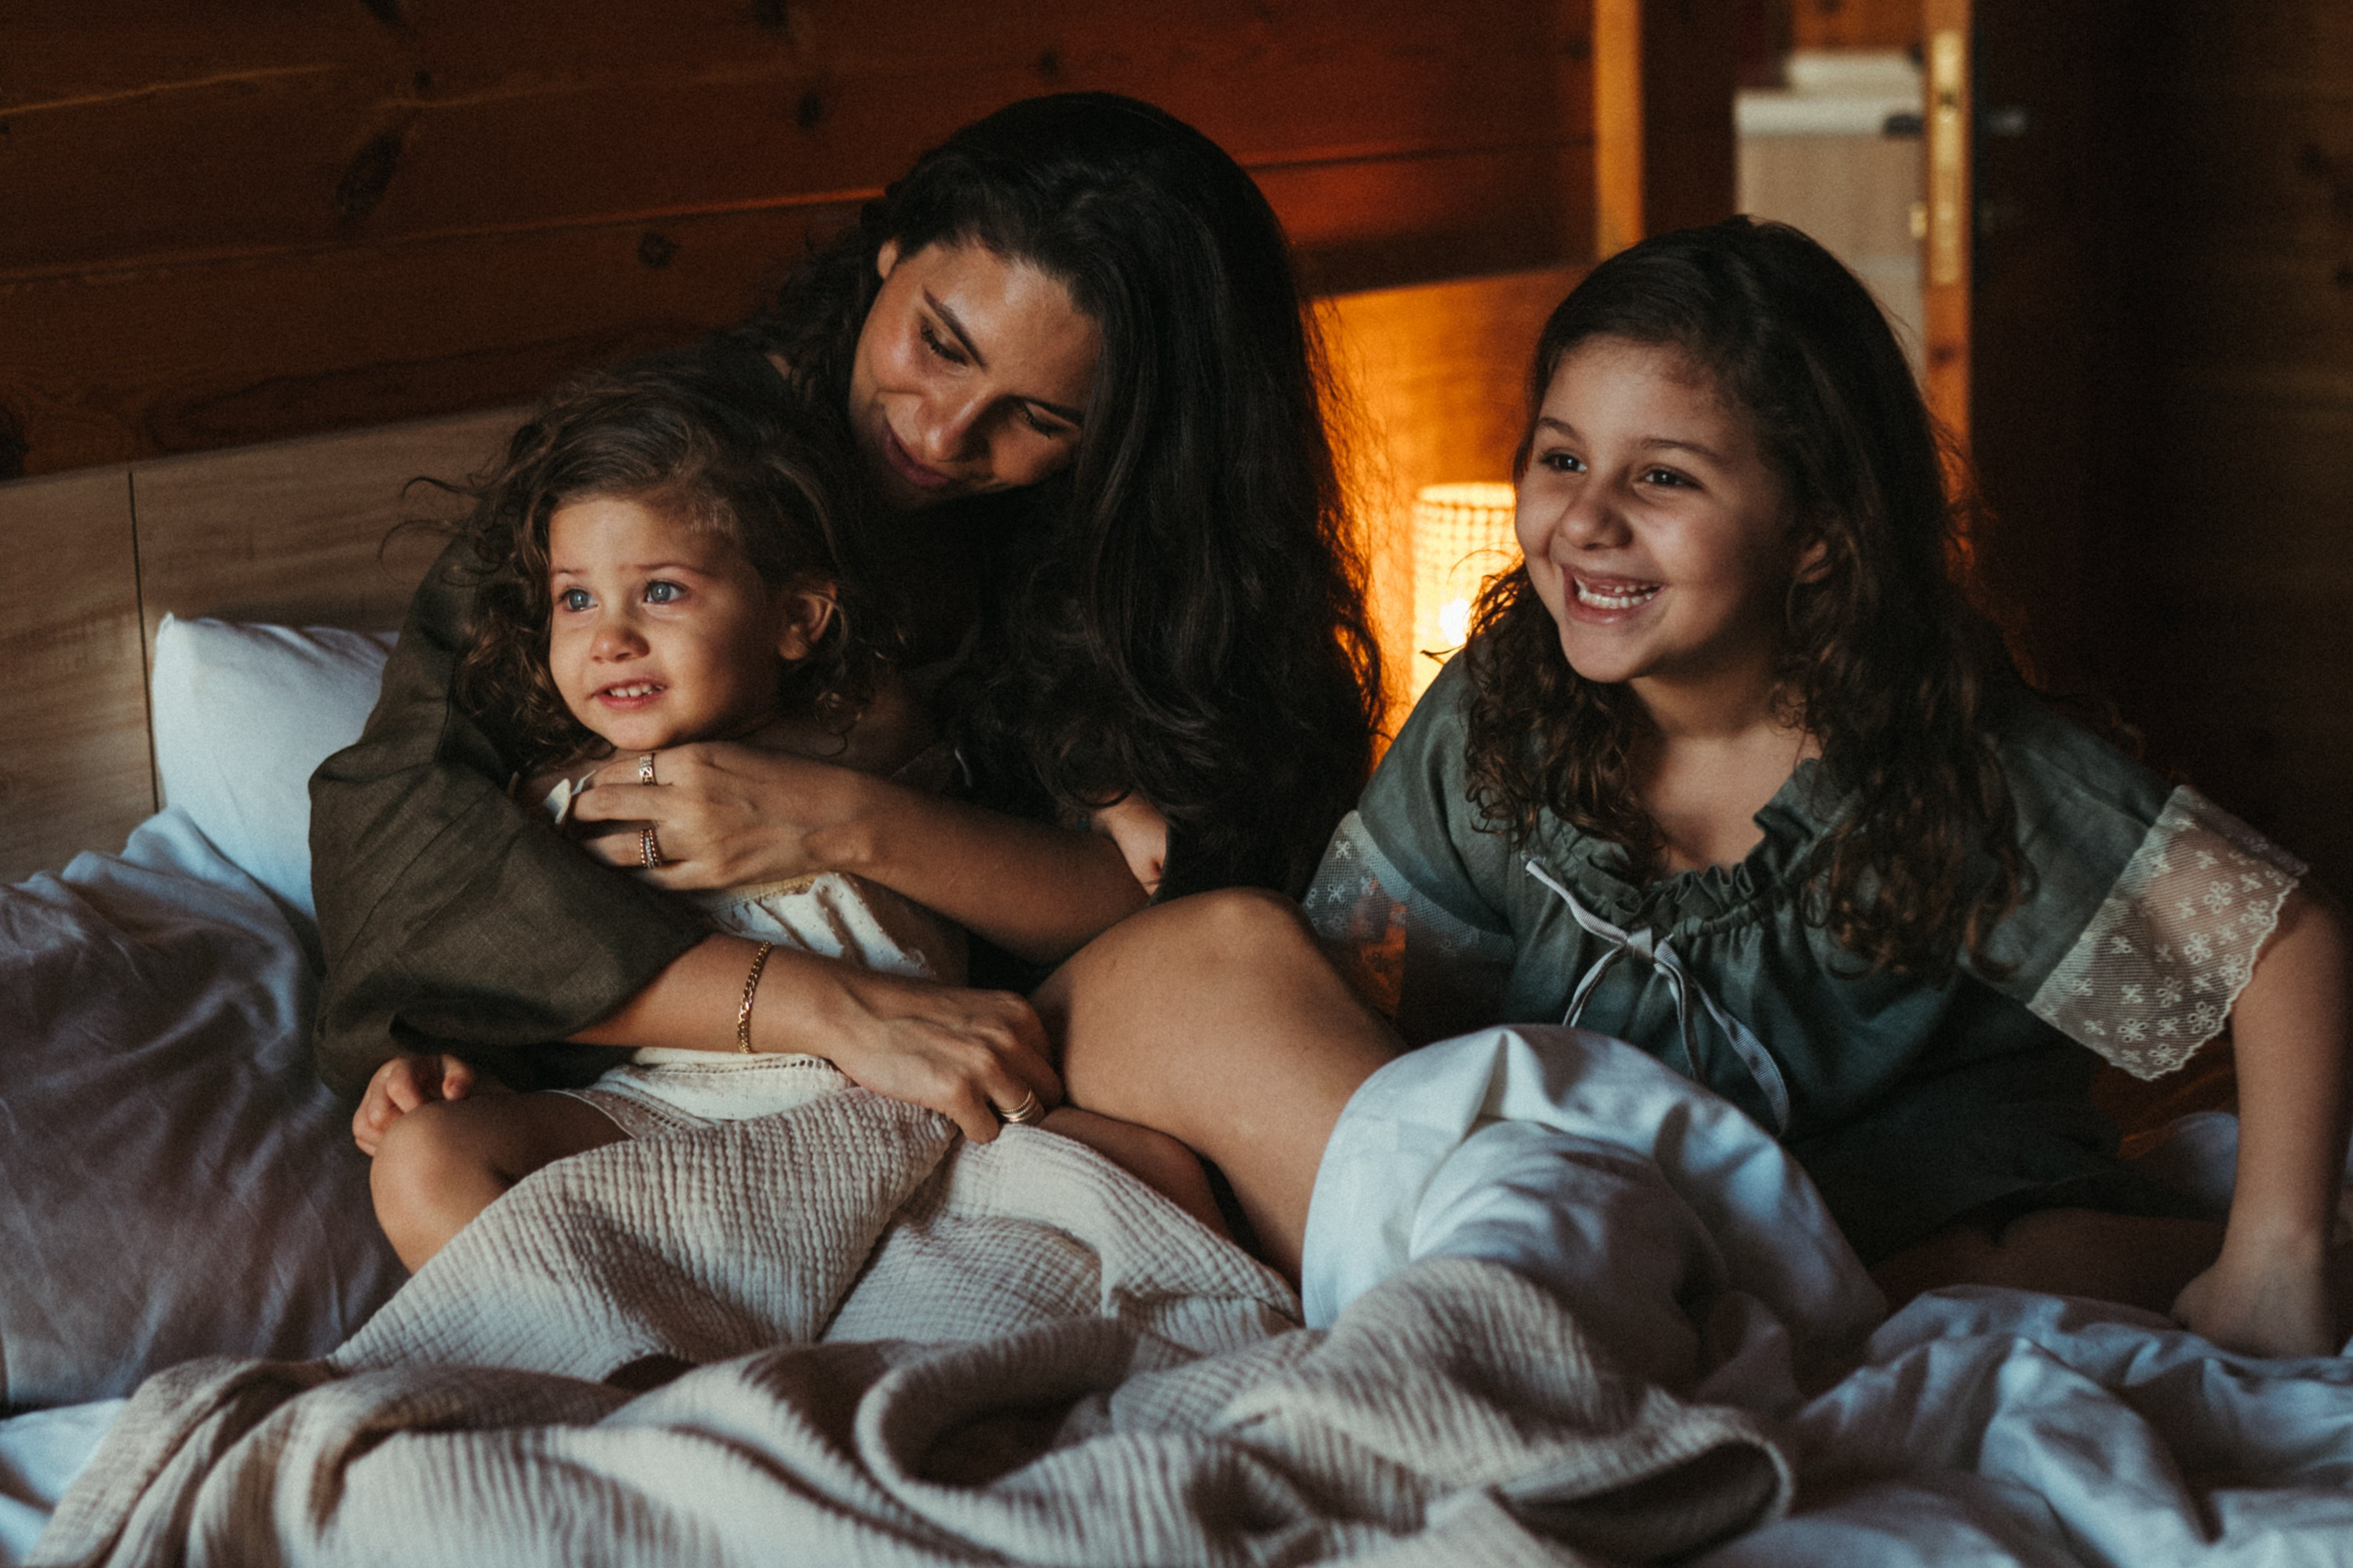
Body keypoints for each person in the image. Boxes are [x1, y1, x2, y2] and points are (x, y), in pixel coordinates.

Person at [1042, 218, 2352, 1361]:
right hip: (1588, 1199)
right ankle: (1528, 1303)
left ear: (1820, 532)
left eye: (1663, 477)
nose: (1588, 519)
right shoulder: (1503, 709)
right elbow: (1378, 1011)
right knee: (1212, 956)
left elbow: (2280, 942)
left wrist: (2278, 1258)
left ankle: (1588, 1334)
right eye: (1559, 460)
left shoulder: (1951, 761)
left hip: (1870, 1230)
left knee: (1990, 1284)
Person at [314, 95, 1382, 1165]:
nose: (941, 431)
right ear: (891, 248)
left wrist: (841, 818)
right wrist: (829, 1007)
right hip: (709, 1067)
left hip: (1024, 1036)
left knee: (1243, 952)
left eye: (1041, 419)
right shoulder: (648, 477)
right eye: (940, 344)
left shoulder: (1123, 549)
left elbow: (1178, 882)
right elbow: (405, 854)